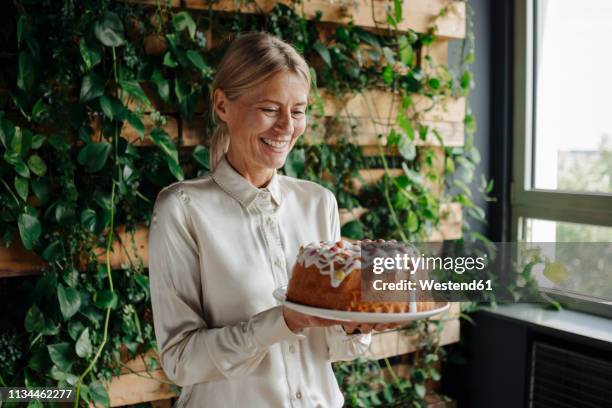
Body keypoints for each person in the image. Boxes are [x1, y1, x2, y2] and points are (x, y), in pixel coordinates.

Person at [149, 32, 395, 408]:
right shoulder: (182, 209)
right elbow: (181, 360)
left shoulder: (318, 203)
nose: (286, 127)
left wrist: (357, 323)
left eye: (297, 111)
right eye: (269, 109)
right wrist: (284, 321)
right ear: (222, 106)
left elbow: (332, 349)